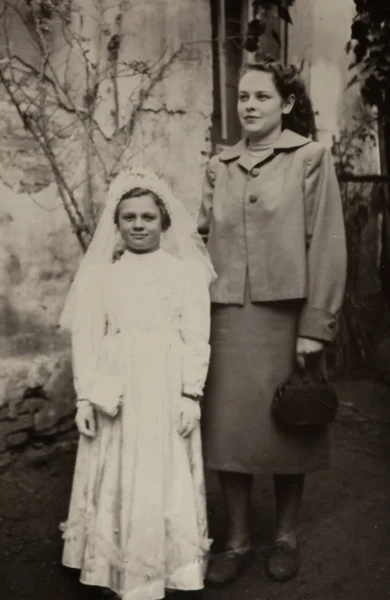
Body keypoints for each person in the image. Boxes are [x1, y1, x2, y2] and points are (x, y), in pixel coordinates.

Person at [198, 57, 347, 586]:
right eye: (243, 97)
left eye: (262, 97)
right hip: (226, 319)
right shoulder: (218, 165)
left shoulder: (309, 158)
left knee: (292, 424)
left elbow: (326, 242)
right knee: (227, 433)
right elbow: (197, 238)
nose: (250, 106)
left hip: (288, 319)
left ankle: (285, 536)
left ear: (285, 104)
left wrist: (316, 323)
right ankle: (236, 541)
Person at [59, 169, 216, 600]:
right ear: (117, 223)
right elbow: (87, 339)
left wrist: (190, 394)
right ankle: (112, 566)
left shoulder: (185, 274)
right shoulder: (101, 277)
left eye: (148, 217)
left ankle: (167, 569)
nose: (139, 225)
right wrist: (85, 398)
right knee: (117, 467)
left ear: (165, 222)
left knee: (161, 469)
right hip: (117, 385)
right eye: (129, 217)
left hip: (166, 385)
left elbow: (196, 336)